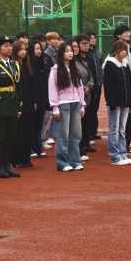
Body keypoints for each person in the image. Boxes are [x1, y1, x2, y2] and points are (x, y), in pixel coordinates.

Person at [0, 36, 23, 178]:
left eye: (10, 46)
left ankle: (8, 165)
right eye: (6, 46)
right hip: (0, 106)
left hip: (12, 105)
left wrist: (19, 107)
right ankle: (0, 167)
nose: (9, 48)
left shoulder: (15, 65)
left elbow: (19, 87)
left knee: (10, 137)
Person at [47, 39, 86, 171]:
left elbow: (80, 88)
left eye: (71, 51)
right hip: (63, 105)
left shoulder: (75, 69)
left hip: (75, 104)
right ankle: (62, 162)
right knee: (63, 135)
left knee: (76, 134)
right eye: (67, 51)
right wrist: (55, 108)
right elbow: (52, 89)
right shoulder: (55, 70)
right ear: (61, 53)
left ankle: (74, 160)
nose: (70, 53)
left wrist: (82, 104)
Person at [103, 40, 131, 166]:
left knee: (122, 129)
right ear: (116, 50)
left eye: (125, 51)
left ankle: (123, 153)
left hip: (126, 103)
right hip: (115, 103)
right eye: (122, 50)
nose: (124, 53)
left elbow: (130, 84)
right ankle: (115, 156)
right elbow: (108, 86)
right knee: (114, 129)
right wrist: (111, 103)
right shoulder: (109, 64)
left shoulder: (125, 64)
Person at [113, 24, 131, 155]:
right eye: (125, 32)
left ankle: (126, 145)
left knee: (129, 119)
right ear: (118, 35)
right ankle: (118, 147)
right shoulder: (114, 52)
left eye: (129, 31)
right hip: (121, 90)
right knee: (119, 121)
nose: (128, 34)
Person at [12, 39, 35, 168]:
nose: (23, 52)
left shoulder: (27, 66)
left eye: (25, 49)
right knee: (19, 133)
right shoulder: (13, 66)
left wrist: (34, 101)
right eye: (20, 49)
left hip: (29, 103)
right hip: (18, 104)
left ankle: (26, 157)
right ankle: (17, 159)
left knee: (29, 132)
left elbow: (33, 85)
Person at [27, 39, 49, 158]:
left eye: (40, 49)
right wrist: (34, 100)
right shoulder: (28, 65)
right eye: (36, 49)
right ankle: (31, 148)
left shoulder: (42, 65)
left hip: (42, 100)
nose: (39, 51)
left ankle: (38, 147)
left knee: (39, 126)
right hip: (33, 100)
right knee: (31, 125)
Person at [74, 35, 94, 158]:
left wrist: (89, 87)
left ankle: (82, 148)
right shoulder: (65, 65)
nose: (75, 49)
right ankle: (75, 152)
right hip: (72, 100)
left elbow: (91, 78)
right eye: (73, 47)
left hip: (85, 98)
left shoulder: (83, 62)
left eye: (76, 47)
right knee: (75, 128)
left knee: (84, 124)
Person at [86, 32, 104, 141]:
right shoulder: (86, 54)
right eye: (91, 38)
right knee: (89, 109)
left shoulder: (98, 53)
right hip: (90, 85)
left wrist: (100, 81)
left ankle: (93, 131)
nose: (93, 40)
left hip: (98, 84)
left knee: (95, 108)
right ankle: (88, 132)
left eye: (94, 38)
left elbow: (100, 67)